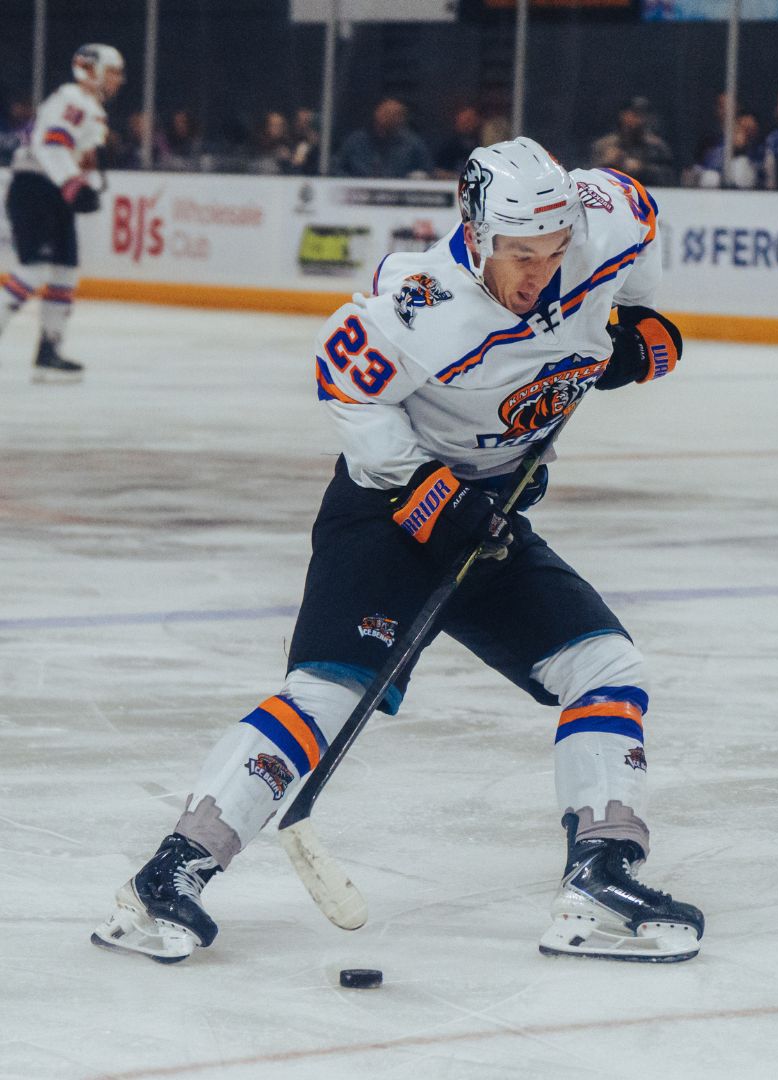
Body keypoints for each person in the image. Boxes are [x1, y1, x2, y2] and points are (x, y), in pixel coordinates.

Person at [91, 136, 704, 966]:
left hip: (490, 515)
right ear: (477, 235)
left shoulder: (607, 220)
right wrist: (425, 491)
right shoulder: (423, 305)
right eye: (521, 256)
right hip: (387, 512)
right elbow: (342, 380)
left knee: (605, 666)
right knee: (328, 694)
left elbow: (639, 240)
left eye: (555, 251)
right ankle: (168, 877)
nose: (540, 273)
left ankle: (600, 879)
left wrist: (634, 327)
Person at [0, 43, 124, 381]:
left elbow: (73, 153)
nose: (119, 79)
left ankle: (48, 353)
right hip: (35, 189)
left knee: (65, 272)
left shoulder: (90, 108)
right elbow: (52, 145)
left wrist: (86, 177)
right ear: (93, 71)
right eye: (113, 71)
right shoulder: (72, 100)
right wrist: (73, 185)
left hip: (51, 191)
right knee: (32, 271)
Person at [332, 97, 433, 179]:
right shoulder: (355, 140)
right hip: (357, 193)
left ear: (402, 120)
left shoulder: (413, 144)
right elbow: (335, 168)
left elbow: (427, 172)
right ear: (376, 114)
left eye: (396, 115)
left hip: (398, 194)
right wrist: (353, 183)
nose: (389, 118)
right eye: (386, 113)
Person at [590, 96, 676, 187]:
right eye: (633, 114)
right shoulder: (604, 145)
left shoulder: (656, 146)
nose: (637, 120)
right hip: (611, 191)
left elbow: (669, 178)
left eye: (641, 115)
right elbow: (587, 176)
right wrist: (606, 163)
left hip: (647, 191)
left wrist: (641, 168)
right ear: (622, 115)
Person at [432, 103, 483, 179]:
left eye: (471, 120)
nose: (468, 124)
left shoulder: (480, 142)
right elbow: (438, 170)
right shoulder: (447, 143)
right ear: (457, 121)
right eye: (466, 121)